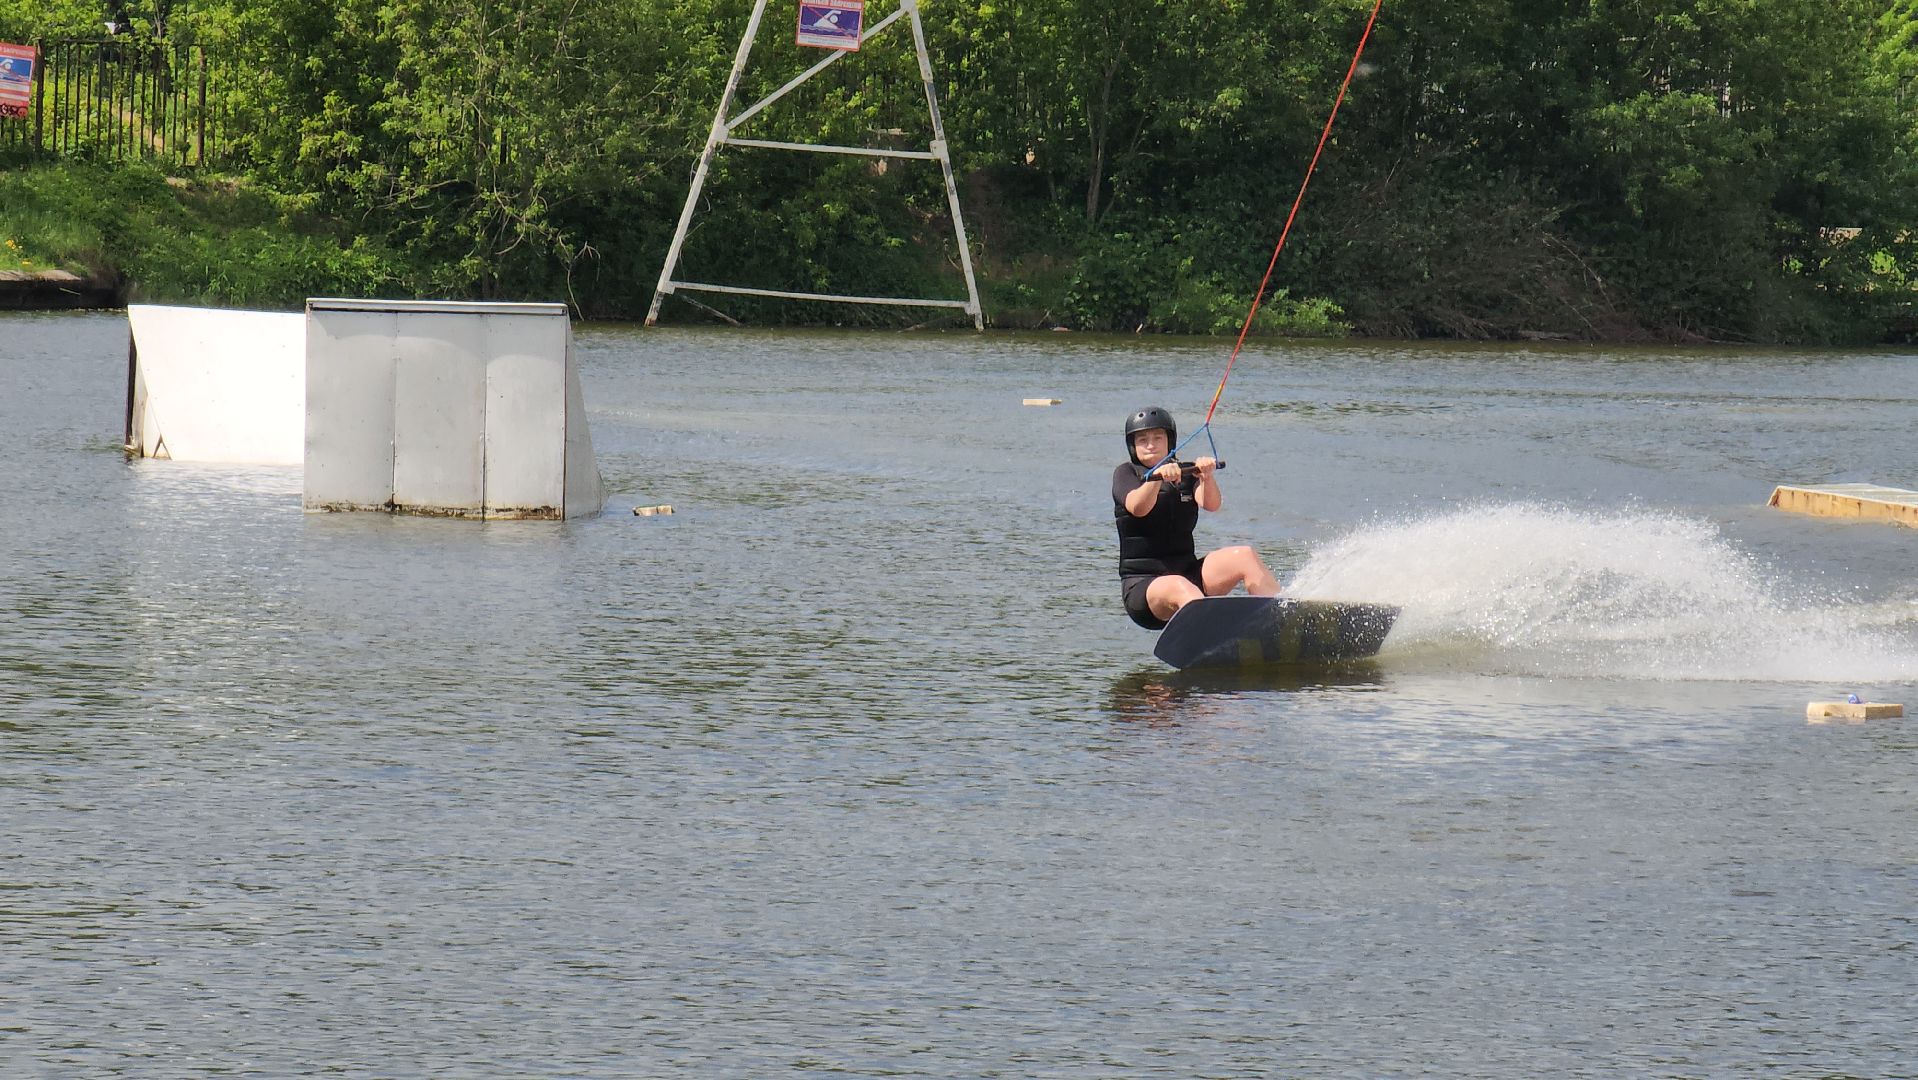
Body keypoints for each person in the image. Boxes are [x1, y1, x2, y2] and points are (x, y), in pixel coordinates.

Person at [1112, 406, 1280, 630]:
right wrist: (1156, 480)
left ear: (1169, 441)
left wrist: (1207, 477)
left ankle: (1281, 621)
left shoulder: (1184, 473)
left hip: (1190, 574)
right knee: (1180, 586)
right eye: (1143, 440)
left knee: (1244, 556)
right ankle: (1212, 638)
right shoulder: (1126, 473)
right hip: (1144, 587)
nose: (1151, 445)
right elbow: (1138, 507)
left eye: (1157, 438)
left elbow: (1211, 504)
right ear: (1133, 445)